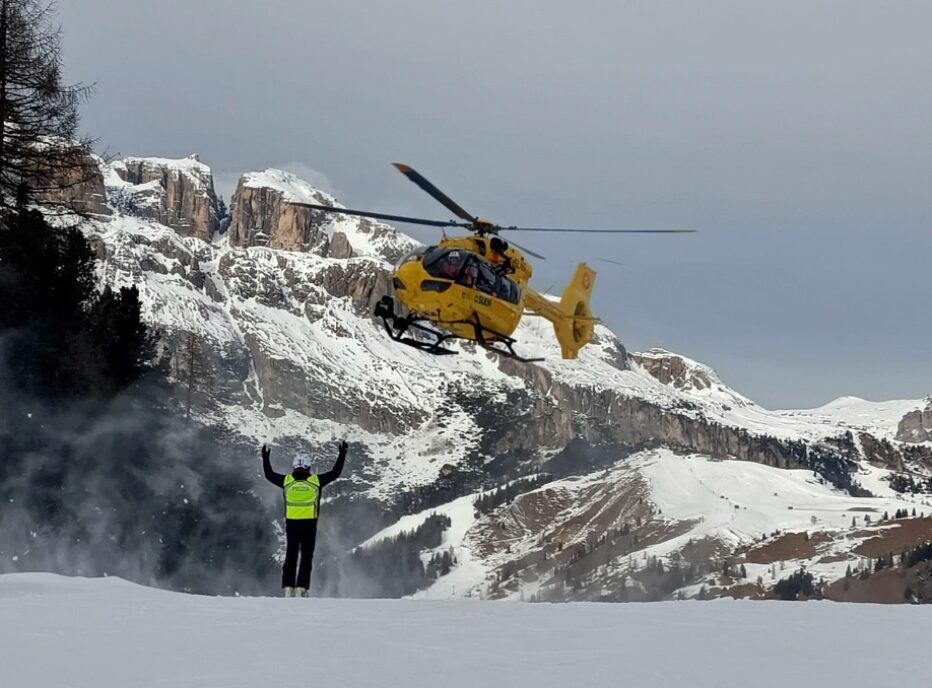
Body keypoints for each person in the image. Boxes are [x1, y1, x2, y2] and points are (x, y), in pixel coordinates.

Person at [261, 441, 348, 597]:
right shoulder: (315, 481)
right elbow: (335, 473)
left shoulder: (287, 481)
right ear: (308, 467)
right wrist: (342, 454)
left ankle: (288, 587)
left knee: (291, 555)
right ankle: (302, 588)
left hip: (292, 523)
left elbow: (269, 475)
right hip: (309, 523)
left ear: (294, 467)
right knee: (306, 556)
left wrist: (265, 458)